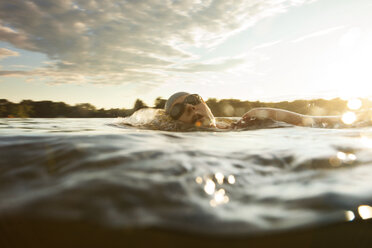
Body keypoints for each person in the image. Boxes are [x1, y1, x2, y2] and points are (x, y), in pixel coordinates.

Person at [164, 92, 356, 129]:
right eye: (178, 109)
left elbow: (318, 123)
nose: (190, 106)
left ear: (204, 102)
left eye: (192, 100)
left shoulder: (253, 118)